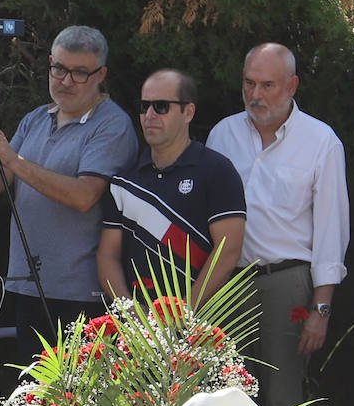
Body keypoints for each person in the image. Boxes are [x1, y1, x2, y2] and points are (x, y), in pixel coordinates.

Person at [0, 25, 139, 361]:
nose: (65, 81)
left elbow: (84, 196)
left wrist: (13, 159)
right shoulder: (37, 117)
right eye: (59, 69)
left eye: (79, 73)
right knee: (34, 401)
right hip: (27, 286)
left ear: (101, 74)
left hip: (81, 294)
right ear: (49, 63)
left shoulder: (111, 124)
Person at [206, 42, 349, 406]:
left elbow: (331, 231)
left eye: (267, 85)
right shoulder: (223, 134)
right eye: (248, 83)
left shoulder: (321, 142)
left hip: (286, 284)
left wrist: (321, 309)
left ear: (292, 86)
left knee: (285, 402)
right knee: (226, 397)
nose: (255, 95)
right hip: (227, 282)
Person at [98, 70, 246, 308]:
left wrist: (184, 313)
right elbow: (107, 255)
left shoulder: (218, 170)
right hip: (137, 326)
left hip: (199, 326)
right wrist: (129, 310)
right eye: (144, 106)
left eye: (161, 106)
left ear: (188, 112)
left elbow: (228, 251)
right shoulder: (124, 181)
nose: (149, 115)